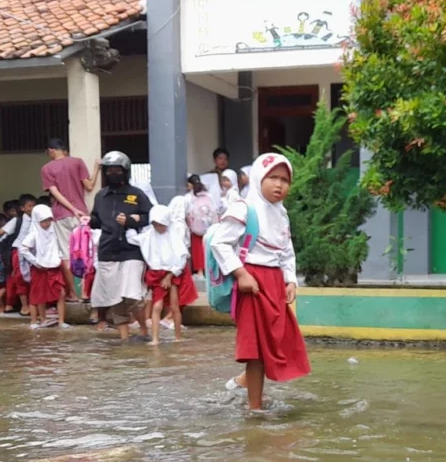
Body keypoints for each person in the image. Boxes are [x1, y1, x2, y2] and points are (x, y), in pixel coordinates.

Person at [210, 152, 311, 410]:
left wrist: (290, 280)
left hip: (274, 283)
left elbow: (286, 250)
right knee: (255, 349)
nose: (279, 185)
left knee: (276, 341)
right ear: (258, 178)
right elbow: (220, 243)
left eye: (285, 180)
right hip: (251, 284)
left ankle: (246, 386)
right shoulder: (244, 208)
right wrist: (241, 274)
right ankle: (255, 409)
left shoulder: (281, 214)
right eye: (272, 178)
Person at [88, 150, 152, 341]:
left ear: (125, 171)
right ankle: (124, 339)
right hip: (107, 251)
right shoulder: (101, 196)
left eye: (117, 170)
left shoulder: (137, 194)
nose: (113, 173)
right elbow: (96, 219)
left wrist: (133, 220)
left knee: (132, 295)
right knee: (114, 297)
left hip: (131, 251)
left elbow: (150, 216)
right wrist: (89, 221)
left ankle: (143, 328)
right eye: (109, 170)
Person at [42, 138, 101, 300]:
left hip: (61, 215)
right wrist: (96, 169)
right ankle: (85, 292)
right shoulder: (77, 162)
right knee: (84, 253)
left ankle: (73, 294)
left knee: (66, 256)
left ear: (51, 150)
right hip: (82, 215)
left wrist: (71, 209)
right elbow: (89, 186)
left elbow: (55, 193)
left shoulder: (47, 169)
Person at [127, 205, 194, 345]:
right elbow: (133, 239)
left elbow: (181, 258)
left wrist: (170, 275)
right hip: (157, 274)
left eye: (162, 225)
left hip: (172, 273)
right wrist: (129, 224)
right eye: (156, 225)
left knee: (174, 306)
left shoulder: (173, 236)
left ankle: (177, 336)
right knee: (157, 306)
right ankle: (155, 338)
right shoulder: (149, 235)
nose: (159, 228)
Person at [18, 204, 69, 329]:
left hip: (54, 267)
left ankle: (61, 321)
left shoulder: (53, 231)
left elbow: (58, 246)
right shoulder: (34, 233)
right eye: (43, 221)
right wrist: (35, 262)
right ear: (37, 221)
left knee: (61, 293)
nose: (47, 223)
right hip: (39, 269)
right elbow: (23, 248)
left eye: (49, 220)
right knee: (38, 296)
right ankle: (35, 321)